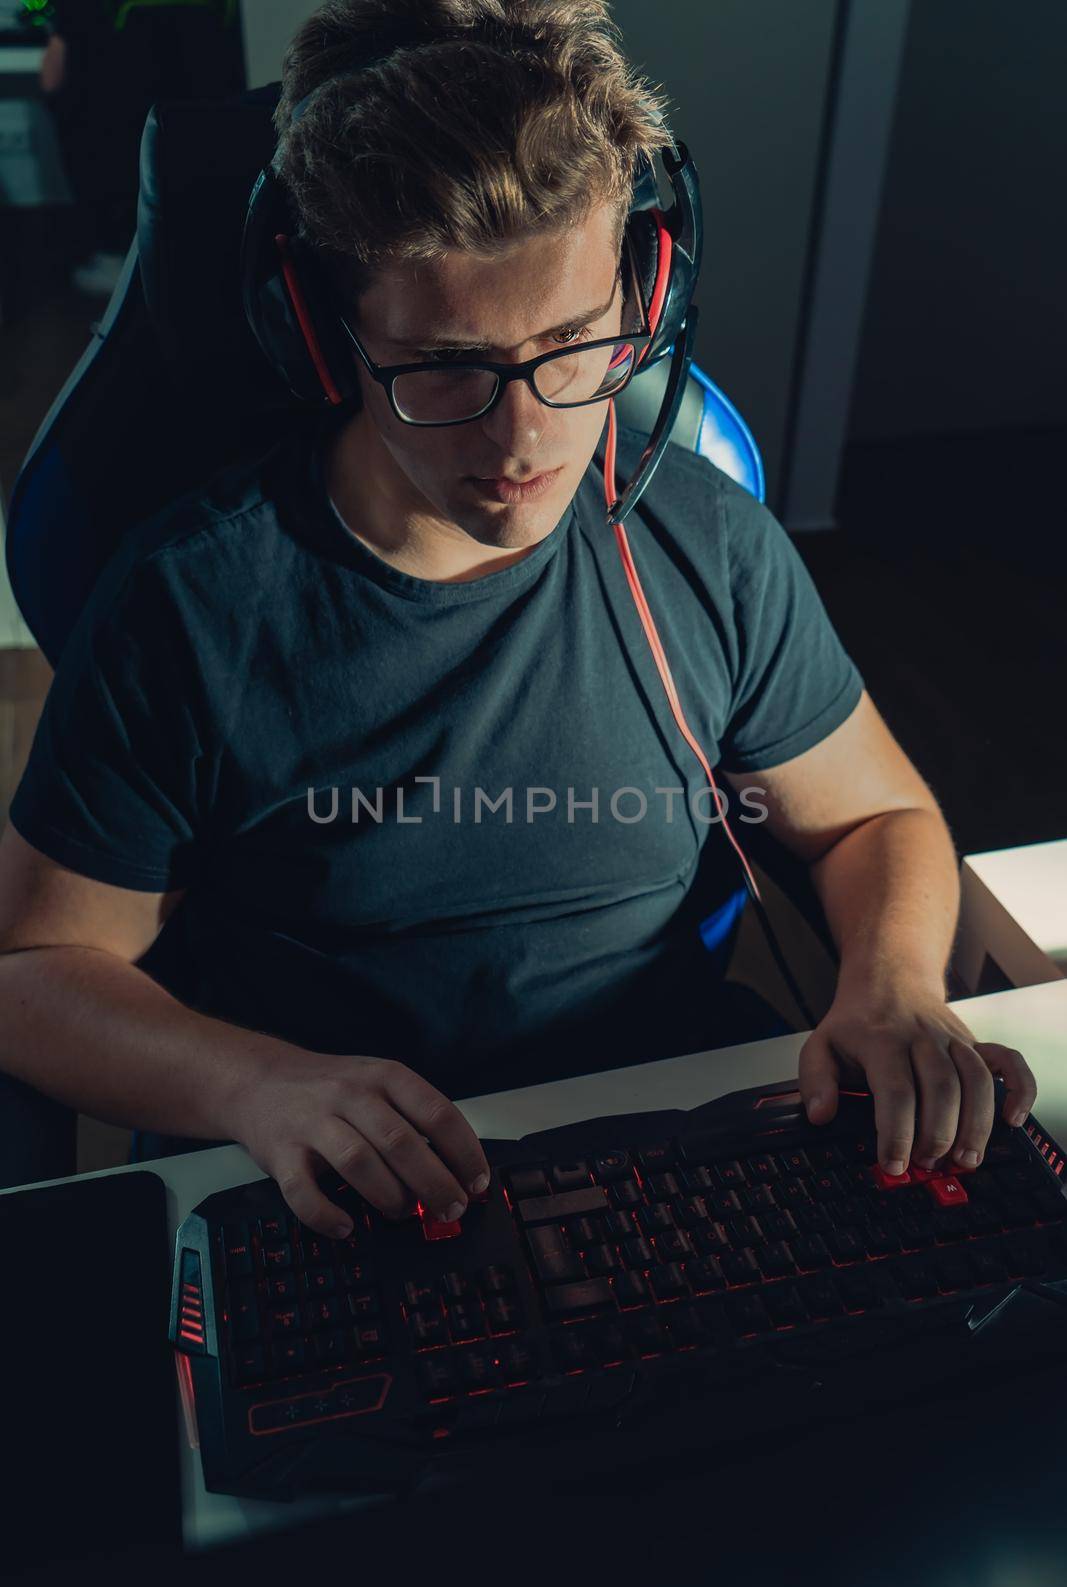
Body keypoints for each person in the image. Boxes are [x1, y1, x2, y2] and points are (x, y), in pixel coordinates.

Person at [0, 0, 1036, 1237]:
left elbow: (871, 813)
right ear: (328, 344)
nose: (525, 439)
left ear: (639, 293)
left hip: (670, 1133)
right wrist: (256, 1085)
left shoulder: (702, 541)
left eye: (570, 342)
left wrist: (890, 985)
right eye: (445, 366)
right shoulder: (194, 606)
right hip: (346, 1180)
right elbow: (35, 976)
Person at [39, 0, 243, 296]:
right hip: (198, 137)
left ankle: (113, 254)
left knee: (67, 103)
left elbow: (51, 79)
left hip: (118, 144)